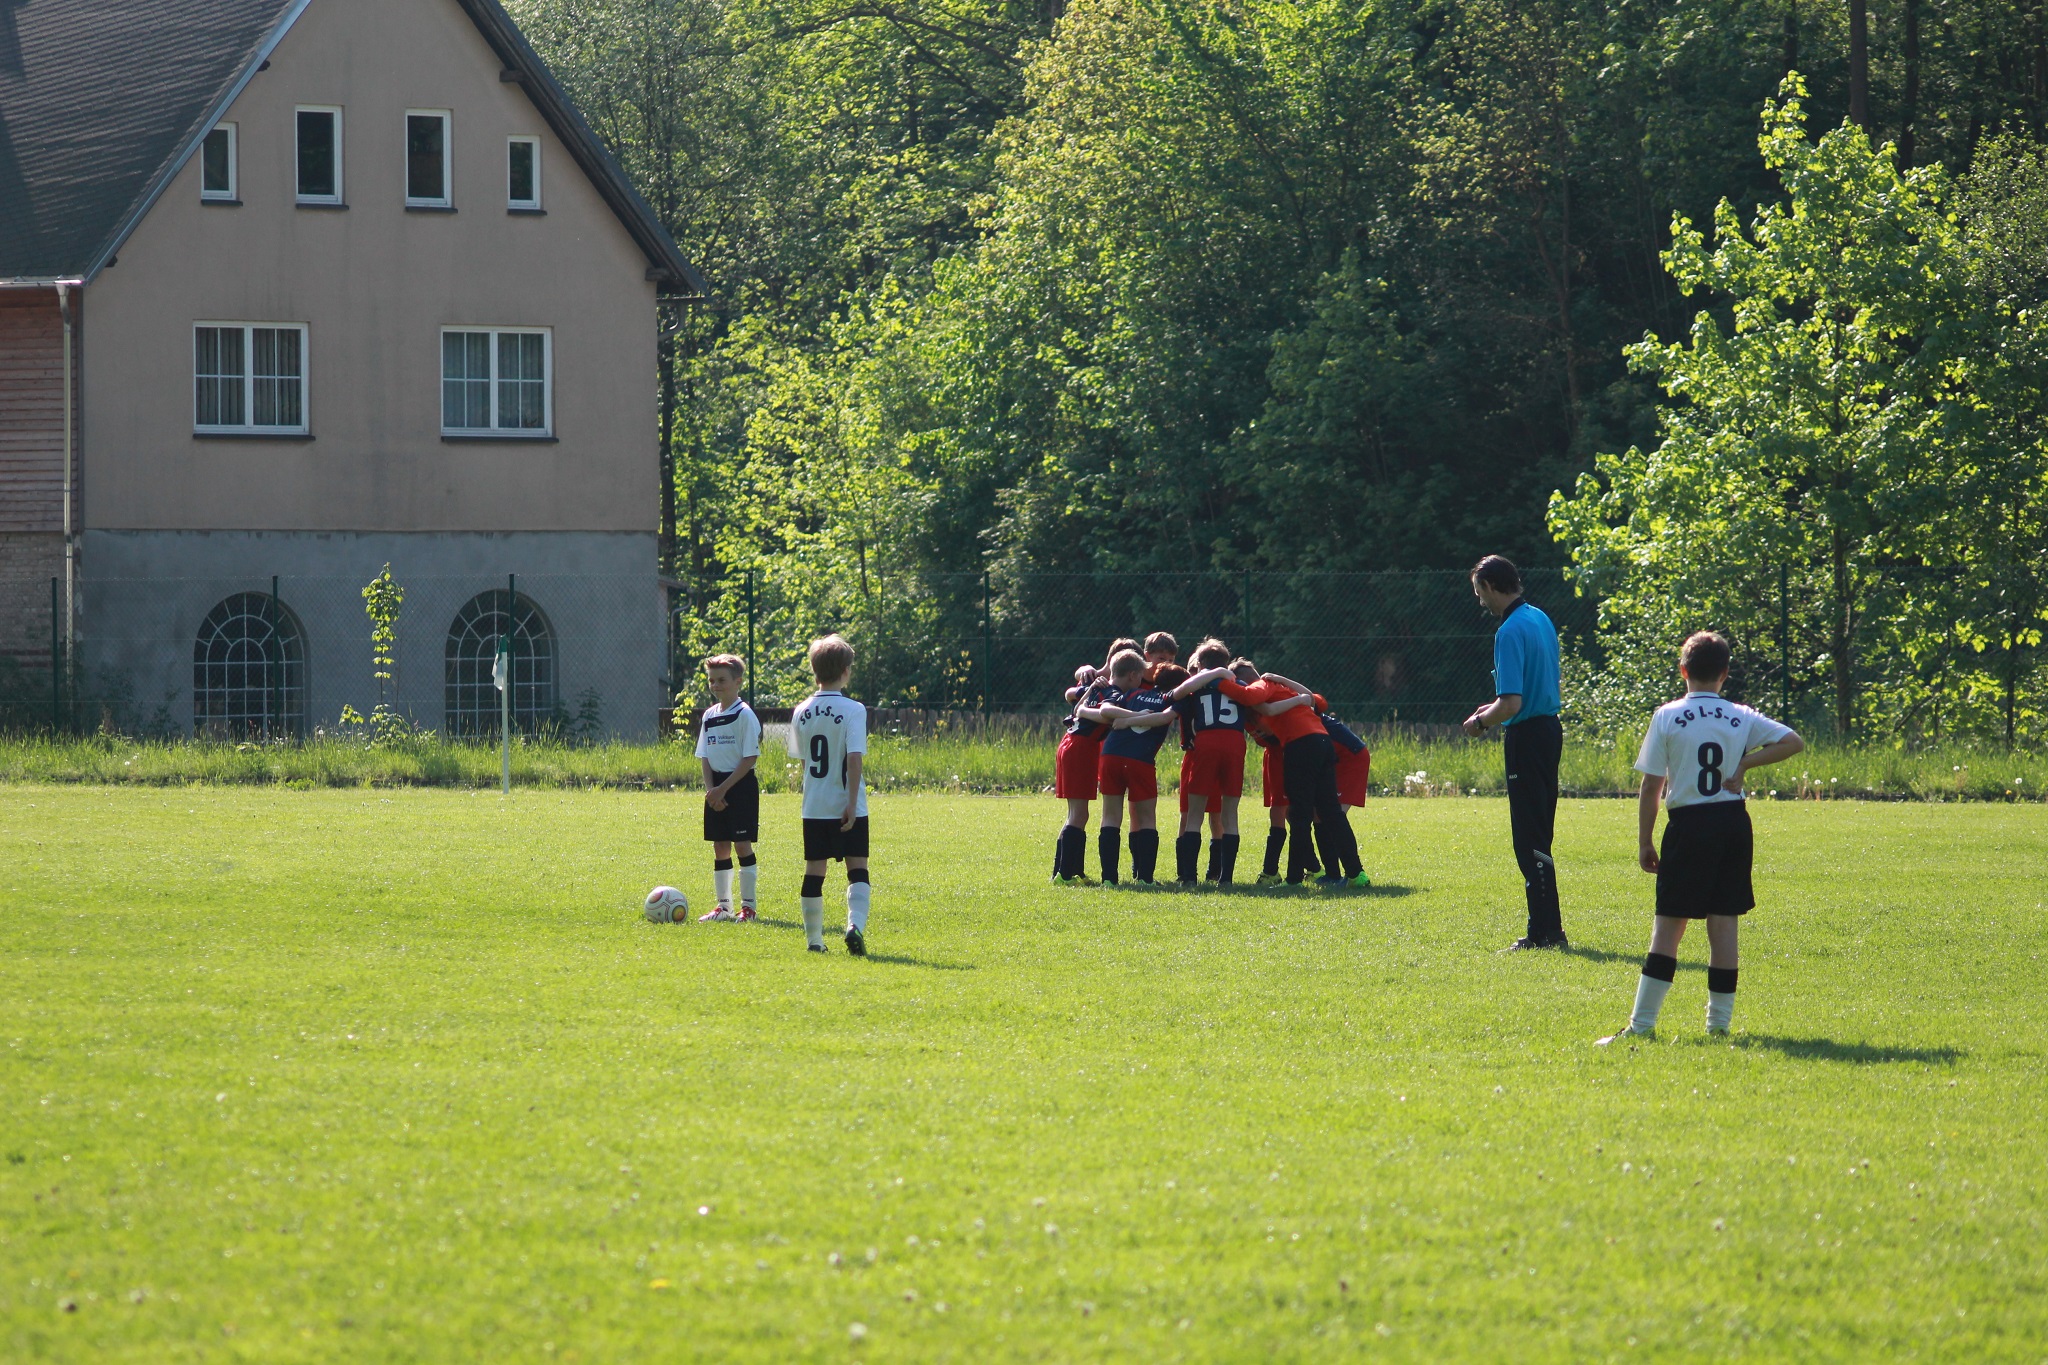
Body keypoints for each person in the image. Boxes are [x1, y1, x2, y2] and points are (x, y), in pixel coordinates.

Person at [1599, 632, 1803, 1043]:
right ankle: (1719, 1027)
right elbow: (1792, 741)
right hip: (1732, 823)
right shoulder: (1741, 715)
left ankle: (1641, 1027)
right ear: (1724, 674)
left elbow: (1651, 786)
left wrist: (1644, 841)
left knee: (1669, 928)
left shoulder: (1668, 715)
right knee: (1724, 926)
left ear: (1683, 671)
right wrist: (1746, 764)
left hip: (1689, 827)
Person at [1171, 660, 1359, 885]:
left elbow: (1256, 699)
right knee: (1321, 812)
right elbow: (1316, 701)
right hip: (1318, 745)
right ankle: (1349, 874)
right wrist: (1295, 694)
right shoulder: (1274, 693)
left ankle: (1295, 878)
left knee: (1301, 815)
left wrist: (1218, 680)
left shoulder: (1262, 687)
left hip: (1319, 749)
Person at [1461, 555, 1567, 951]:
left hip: (1526, 736)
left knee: (1529, 836)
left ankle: (1544, 933)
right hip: (1550, 730)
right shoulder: (1540, 618)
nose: (1480, 601)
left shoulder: (1508, 631)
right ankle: (1548, 929)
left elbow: (1511, 704)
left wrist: (1481, 723)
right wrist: (1491, 709)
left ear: (1489, 586)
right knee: (1542, 830)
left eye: (1479, 593)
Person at [792, 634, 872, 956]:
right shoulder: (854, 709)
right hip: (846, 804)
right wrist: (851, 804)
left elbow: (803, 761)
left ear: (815, 672)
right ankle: (854, 927)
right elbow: (854, 758)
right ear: (846, 671)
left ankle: (814, 941)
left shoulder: (801, 710)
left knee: (814, 871)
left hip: (814, 805)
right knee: (858, 869)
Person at [1077, 650, 1175, 884]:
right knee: (1147, 818)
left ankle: (1109, 879)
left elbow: (1105, 710)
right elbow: (1165, 717)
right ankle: (1145, 878)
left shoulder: (1127, 694)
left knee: (1110, 816)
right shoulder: (1167, 699)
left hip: (1111, 755)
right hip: (1140, 760)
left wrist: (1126, 719)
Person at [1171, 638, 1248, 885]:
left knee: (1194, 813)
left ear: (1201, 663)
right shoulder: (1239, 684)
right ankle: (1225, 878)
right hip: (1235, 743)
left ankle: (1189, 877)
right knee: (1230, 814)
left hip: (1207, 742)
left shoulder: (1196, 686)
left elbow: (1177, 693)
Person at [693, 654, 762, 922]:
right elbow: (705, 756)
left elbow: (750, 758)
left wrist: (724, 789)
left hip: (740, 785)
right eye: (711, 680)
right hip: (716, 789)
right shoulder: (709, 715)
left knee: (741, 844)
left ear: (737, 682)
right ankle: (723, 906)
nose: (715, 685)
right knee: (720, 846)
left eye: (721, 680)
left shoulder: (744, 715)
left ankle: (749, 907)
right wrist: (712, 791)